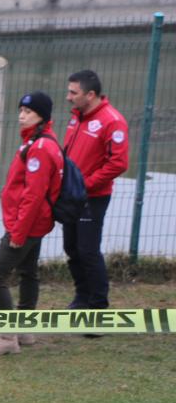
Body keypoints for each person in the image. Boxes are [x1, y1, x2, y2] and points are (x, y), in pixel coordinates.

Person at [0, 92, 63, 356]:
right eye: (21, 110)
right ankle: (23, 327)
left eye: (28, 111)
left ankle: (7, 337)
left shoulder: (39, 148)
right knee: (28, 272)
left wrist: (18, 232)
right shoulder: (37, 141)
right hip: (34, 224)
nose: (21, 115)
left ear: (42, 117)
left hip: (27, 225)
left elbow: (33, 195)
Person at [63, 70, 128, 312]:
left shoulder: (113, 121)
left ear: (90, 94)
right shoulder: (76, 117)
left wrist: (85, 185)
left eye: (73, 92)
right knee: (71, 248)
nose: (68, 97)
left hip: (93, 197)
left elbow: (118, 163)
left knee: (88, 250)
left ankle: (98, 308)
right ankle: (82, 298)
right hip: (71, 196)